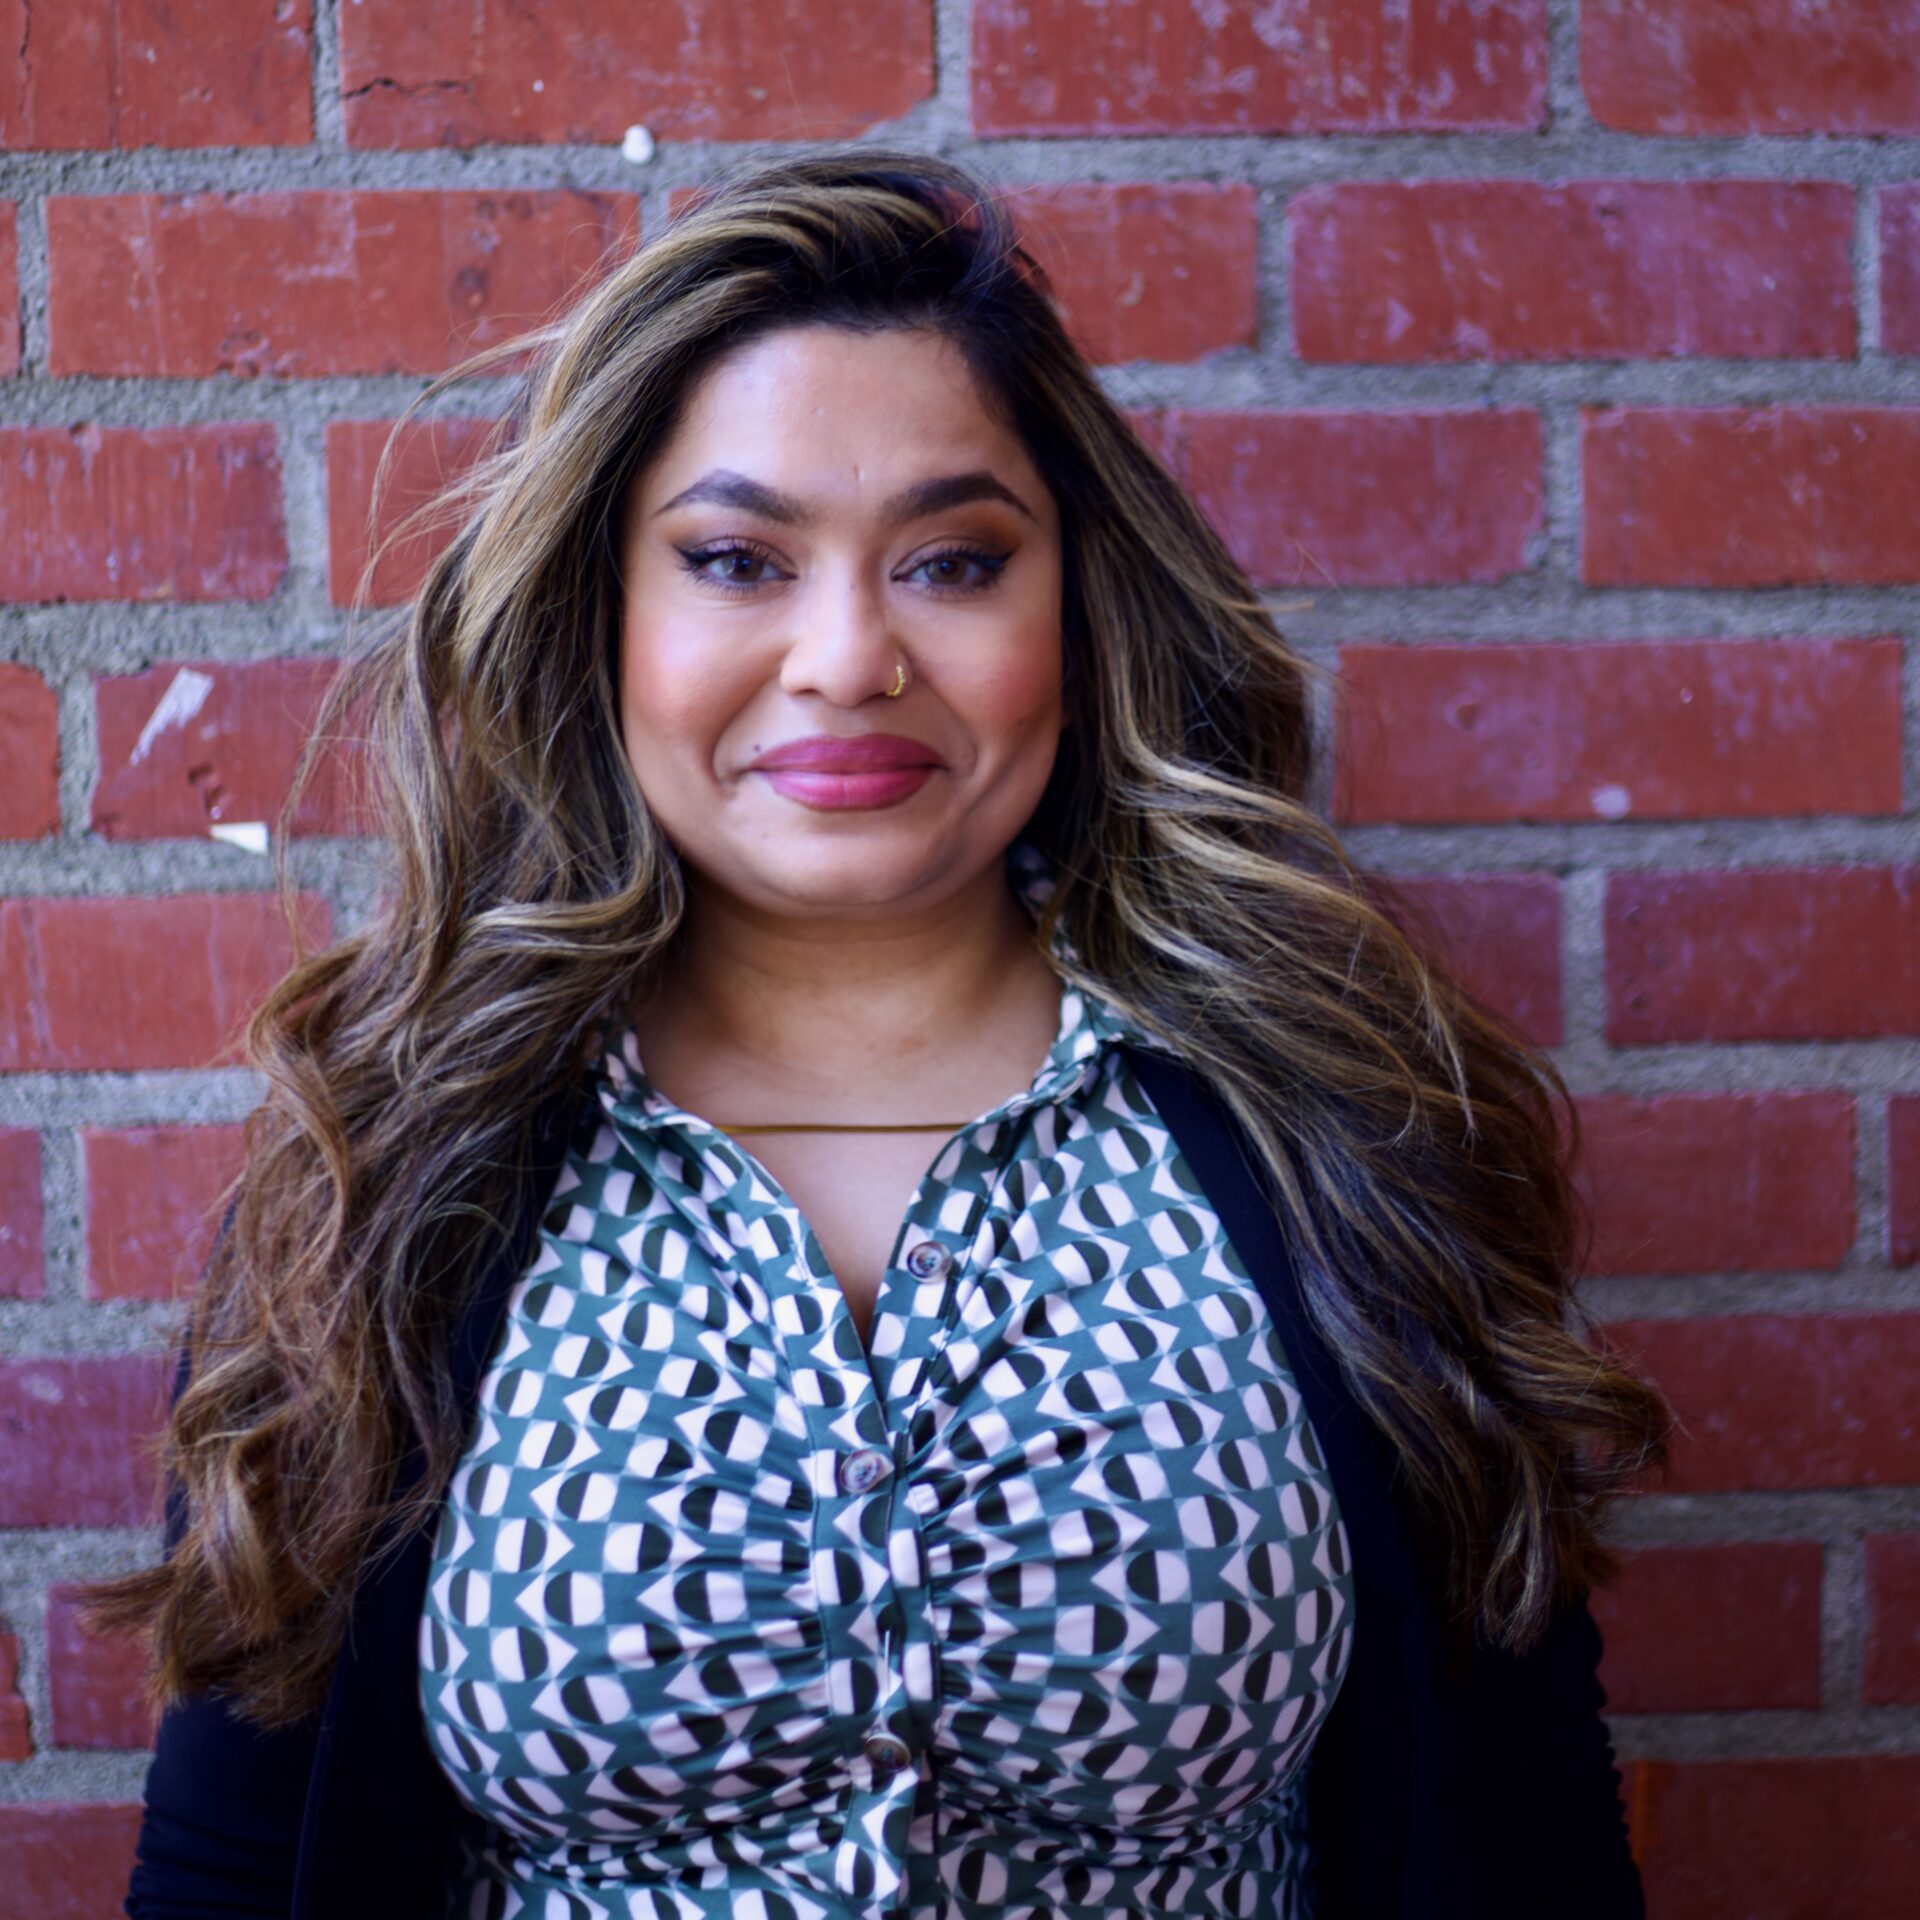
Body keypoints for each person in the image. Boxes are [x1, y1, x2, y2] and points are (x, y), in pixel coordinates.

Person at [82, 146, 1672, 1920]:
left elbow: (1531, 1838)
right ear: (601, 613)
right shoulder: (394, 1164)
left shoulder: (1337, 1134)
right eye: (739, 558)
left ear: (1074, 605)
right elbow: (231, 1862)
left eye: (952, 559)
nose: (847, 657)